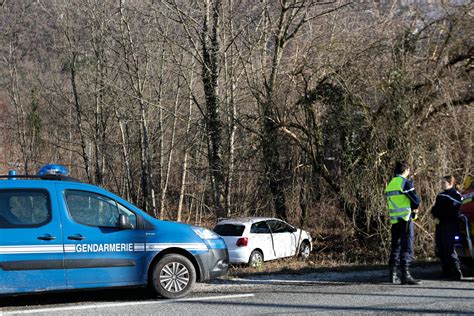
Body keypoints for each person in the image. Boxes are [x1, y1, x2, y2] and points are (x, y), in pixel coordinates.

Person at [385, 160, 421, 285]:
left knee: (395, 245)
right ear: (406, 170)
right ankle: (406, 275)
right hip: (405, 218)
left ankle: (392, 274)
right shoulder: (405, 183)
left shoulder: (390, 183)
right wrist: (415, 208)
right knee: (407, 246)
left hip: (394, 219)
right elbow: (416, 200)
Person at [431, 175, 463, 280]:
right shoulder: (441, 195)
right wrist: (435, 213)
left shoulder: (456, 195)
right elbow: (435, 209)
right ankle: (446, 271)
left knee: (449, 248)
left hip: (450, 225)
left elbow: (453, 210)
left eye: (444, 183)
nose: (442, 184)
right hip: (440, 224)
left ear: (450, 183)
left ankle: (456, 272)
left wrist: (441, 213)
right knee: (441, 248)